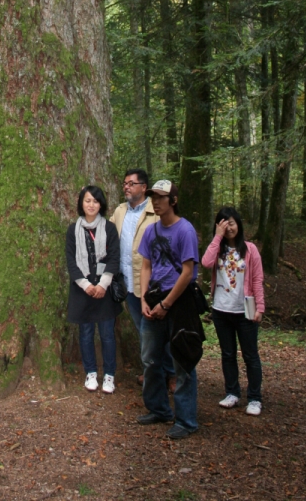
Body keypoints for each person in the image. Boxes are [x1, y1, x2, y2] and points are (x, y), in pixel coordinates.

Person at [137, 180, 203, 439]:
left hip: (180, 301)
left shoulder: (185, 230)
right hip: (154, 298)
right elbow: (146, 267)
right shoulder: (151, 232)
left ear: (173, 200)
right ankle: (159, 409)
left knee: (183, 360)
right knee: (150, 358)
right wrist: (144, 299)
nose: (156, 201)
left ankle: (186, 420)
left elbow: (188, 272)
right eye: (153, 196)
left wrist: (167, 304)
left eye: (161, 197)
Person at [110, 168, 175, 389]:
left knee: (159, 331)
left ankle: (171, 373)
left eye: (131, 183)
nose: (126, 187)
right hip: (127, 282)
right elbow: (106, 232)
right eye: (125, 183)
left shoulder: (155, 211)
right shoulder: (120, 211)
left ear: (143, 187)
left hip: (152, 284)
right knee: (142, 330)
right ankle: (154, 373)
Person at [201, 206, 265, 416]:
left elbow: (257, 280)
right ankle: (232, 393)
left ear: (239, 224)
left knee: (250, 355)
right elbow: (206, 262)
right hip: (221, 310)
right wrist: (217, 238)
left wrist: (260, 308)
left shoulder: (250, 249)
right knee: (228, 354)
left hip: (245, 311)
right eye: (223, 223)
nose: (229, 227)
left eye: (232, 223)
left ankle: (254, 398)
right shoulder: (217, 249)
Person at [66, 185, 123, 394]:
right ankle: (90, 372)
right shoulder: (73, 230)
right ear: (82, 202)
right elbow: (71, 261)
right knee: (86, 333)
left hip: (104, 289)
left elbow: (114, 257)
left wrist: (102, 284)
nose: (91, 205)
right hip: (82, 290)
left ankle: (109, 374)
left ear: (101, 204)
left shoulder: (109, 228)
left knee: (107, 334)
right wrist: (86, 285)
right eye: (88, 200)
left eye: (96, 201)